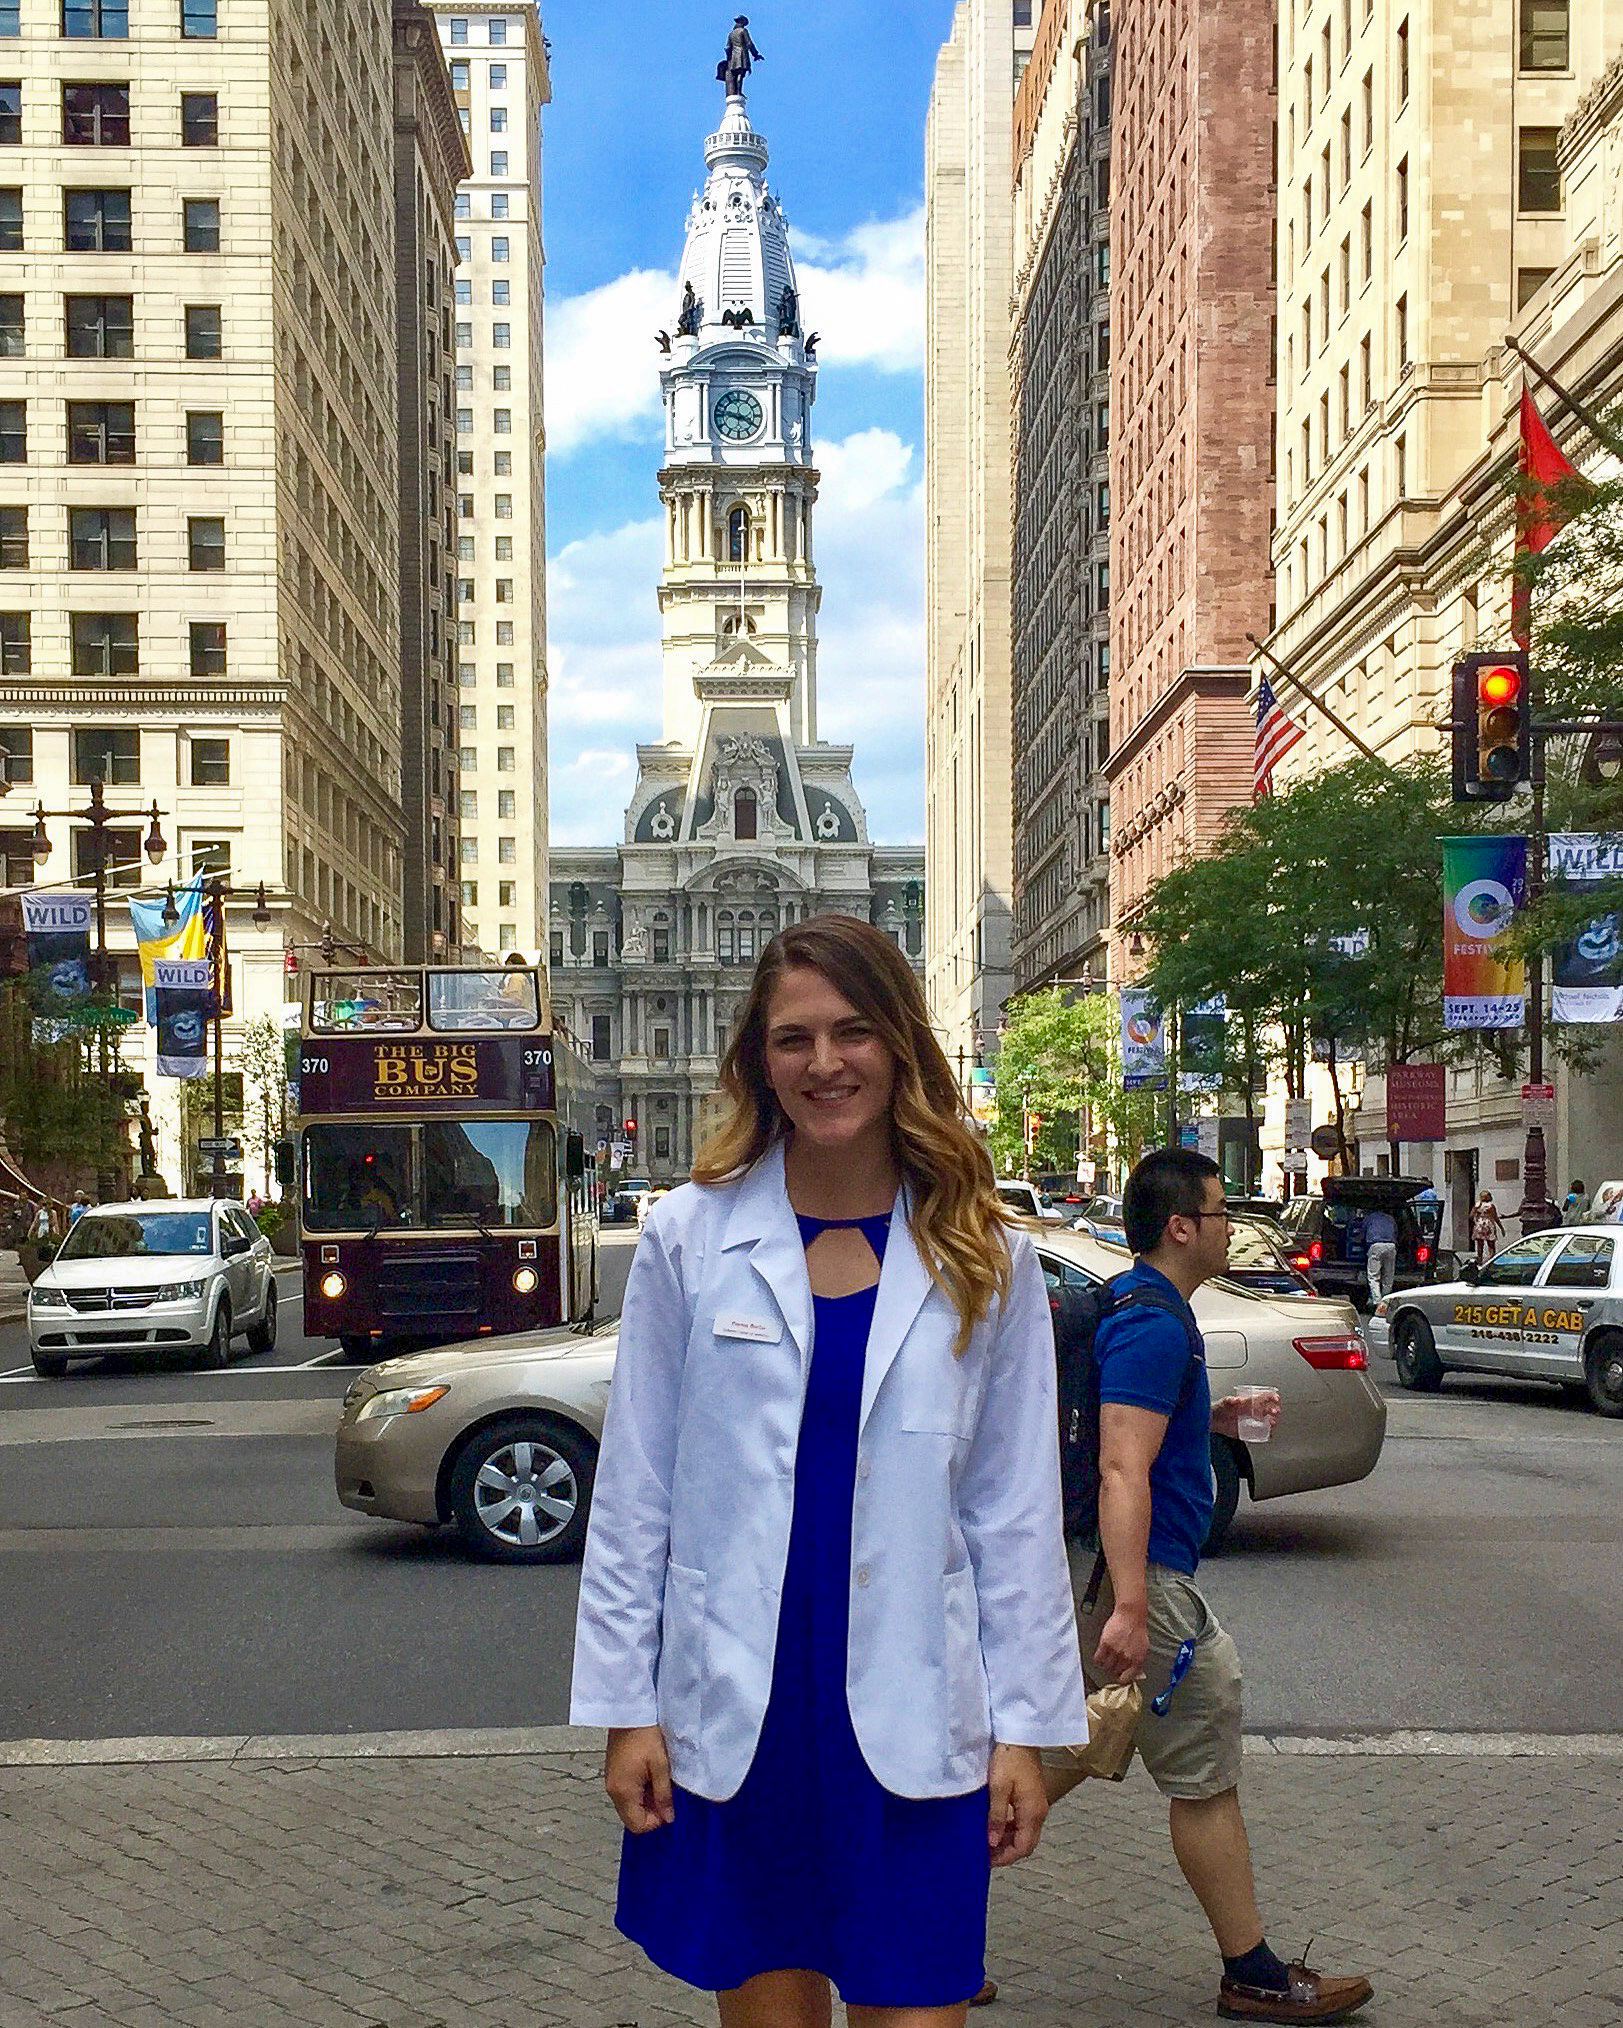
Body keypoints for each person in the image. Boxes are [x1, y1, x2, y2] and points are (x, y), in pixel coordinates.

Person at [571, 915, 1088, 2027]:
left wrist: (1026, 1733)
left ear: (900, 1045)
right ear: (759, 1057)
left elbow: (1013, 1511)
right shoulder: (688, 1238)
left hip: (914, 1710)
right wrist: (627, 1710)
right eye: (793, 1037)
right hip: (741, 1712)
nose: (825, 1063)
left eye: (853, 1032)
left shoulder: (984, 1254)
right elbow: (636, 1496)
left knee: (917, 2008)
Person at [1068, 1148, 1373, 2024]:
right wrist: (1131, 1604)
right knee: (1201, 1751)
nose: (1227, 1226)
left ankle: (923, 1921)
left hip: (1126, 1575)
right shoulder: (1152, 1322)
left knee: (1050, 1753)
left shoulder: (1150, 1311)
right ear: (1179, 1227)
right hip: (1147, 1579)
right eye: (1215, 1210)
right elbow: (1122, 1469)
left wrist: (1212, 1417)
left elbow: (1139, 1432)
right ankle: (1252, 1971)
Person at [1362, 1203, 1398, 1307]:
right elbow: (1396, 1233)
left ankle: (1377, 1301)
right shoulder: (1391, 1219)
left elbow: (1362, 1233)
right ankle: (1386, 1301)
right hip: (1391, 1246)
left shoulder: (1369, 1218)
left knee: (1374, 1276)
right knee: (1388, 1276)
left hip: (1375, 1245)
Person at [1471, 1189, 1505, 1264]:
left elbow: (1471, 1215)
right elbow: (1495, 1217)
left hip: (1479, 1225)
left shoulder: (1477, 1205)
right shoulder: (1490, 1206)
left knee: (1480, 1245)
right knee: (1491, 1244)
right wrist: (1501, 1228)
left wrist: (1477, 1218)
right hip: (1488, 1225)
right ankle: (1491, 1260)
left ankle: (1480, 1261)